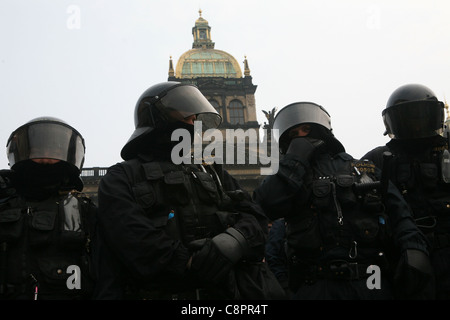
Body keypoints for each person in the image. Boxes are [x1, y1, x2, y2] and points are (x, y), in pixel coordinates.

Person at [92, 81, 284, 300]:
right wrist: (191, 262)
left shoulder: (212, 171)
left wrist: (233, 242)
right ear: (159, 116)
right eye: (186, 113)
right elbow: (131, 237)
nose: (194, 121)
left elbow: (256, 218)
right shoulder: (121, 178)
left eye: (196, 116)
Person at [253, 101, 433, 300]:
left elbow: (400, 214)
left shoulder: (363, 168)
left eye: (306, 129)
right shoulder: (289, 179)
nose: (302, 137)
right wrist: (294, 161)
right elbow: (264, 205)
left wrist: (414, 248)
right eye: (294, 135)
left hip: (369, 280)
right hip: (316, 283)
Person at [362, 83, 450, 299]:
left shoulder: (446, 150)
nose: (415, 124)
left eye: (420, 116)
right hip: (402, 256)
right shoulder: (377, 159)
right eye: (409, 117)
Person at [0, 117, 96, 300]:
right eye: (38, 151)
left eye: (54, 152)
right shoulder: (3, 201)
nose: (45, 159)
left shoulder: (84, 210)